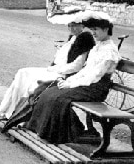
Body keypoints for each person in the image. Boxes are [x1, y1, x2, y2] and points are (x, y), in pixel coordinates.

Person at [25, 14, 121, 144]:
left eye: (96, 29)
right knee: (49, 92)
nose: (93, 33)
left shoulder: (110, 51)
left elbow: (95, 75)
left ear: (106, 29)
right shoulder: (97, 47)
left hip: (96, 88)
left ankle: (60, 134)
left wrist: (72, 84)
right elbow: (85, 71)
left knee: (58, 98)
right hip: (87, 84)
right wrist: (69, 81)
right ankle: (68, 130)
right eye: (92, 30)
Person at [0, 18, 95, 118]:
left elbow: (76, 66)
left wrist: (56, 69)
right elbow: (62, 58)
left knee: (32, 80)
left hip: (64, 74)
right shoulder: (72, 38)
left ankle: (20, 115)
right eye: (69, 25)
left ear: (82, 26)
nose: (71, 28)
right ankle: (8, 110)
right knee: (22, 72)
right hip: (56, 69)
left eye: (74, 25)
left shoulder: (84, 39)